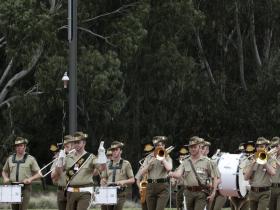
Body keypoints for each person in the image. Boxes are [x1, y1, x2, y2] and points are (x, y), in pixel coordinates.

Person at [55, 131, 106, 210]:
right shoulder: (68, 157)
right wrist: (60, 160)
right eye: (75, 143)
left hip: (85, 192)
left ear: (84, 143)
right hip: (70, 192)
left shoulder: (90, 157)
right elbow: (59, 172)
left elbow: (102, 169)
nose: (76, 145)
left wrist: (102, 156)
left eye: (78, 142)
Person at [169, 136, 217, 210]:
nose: (192, 149)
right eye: (191, 147)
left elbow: (215, 178)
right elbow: (178, 174)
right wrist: (170, 173)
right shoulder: (185, 161)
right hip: (188, 193)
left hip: (201, 193)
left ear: (199, 147)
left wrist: (213, 193)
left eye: (195, 147)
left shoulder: (207, 162)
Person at [2, 136, 41, 210]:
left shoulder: (30, 159)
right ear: (15, 147)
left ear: (25, 146)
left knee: (23, 208)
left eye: (21, 145)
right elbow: (4, 171)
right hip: (13, 186)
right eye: (17, 146)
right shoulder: (10, 159)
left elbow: (39, 174)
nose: (19, 147)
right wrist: (5, 178)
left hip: (25, 188)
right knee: (14, 209)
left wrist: (30, 179)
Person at [139, 136, 173, 210]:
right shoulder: (149, 157)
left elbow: (169, 168)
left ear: (164, 146)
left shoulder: (167, 157)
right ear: (155, 147)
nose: (159, 147)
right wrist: (149, 163)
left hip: (163, 187)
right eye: (157, 145)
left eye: (161, 145)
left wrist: (163, 159)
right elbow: (141, 172)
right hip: (150, 186)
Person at [100, 141, 135, 210]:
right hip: (109, 192)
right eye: (113, 150)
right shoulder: (107, 164)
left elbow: (132, 179)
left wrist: (123, 181)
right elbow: (103, 178)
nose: (114, 152)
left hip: (121, 193)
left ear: (121, 151)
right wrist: (103, 182)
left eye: (116, 150)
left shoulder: (126, 164)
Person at [244, 137, 276, 210]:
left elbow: (273, 172)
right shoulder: (252, 158)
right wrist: (252, 164)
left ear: (266, 148)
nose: (259, 148)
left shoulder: (270, 158)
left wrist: (263, 161)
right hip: (252, 192)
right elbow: (246, 178)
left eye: (261, 146)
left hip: (264, 192)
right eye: (257, 146)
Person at [201, 140, 227, 210]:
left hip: (219, 193)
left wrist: (211, 183)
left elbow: (219, 179)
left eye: (207, 149)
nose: (205, 151)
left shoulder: (212, 162)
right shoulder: (197, 162)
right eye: (203, 148)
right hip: (206, 193)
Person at [50, 135, 74, 210]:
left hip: (73, 190)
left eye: (68, 145)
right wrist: (60, 161)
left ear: (73, 145)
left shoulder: (78, 158)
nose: (66, 147)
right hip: (61, 190)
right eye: (65, 145)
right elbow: (53, 176)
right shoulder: (59, 157)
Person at [229, 142, 250, 210]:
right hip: (234, 192)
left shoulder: (249, 160)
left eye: (243, 151)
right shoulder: (234, 162)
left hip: (245, 192)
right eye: (240, 151)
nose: (242, 153)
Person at [135, 143, 154, 210]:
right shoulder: (142, 166)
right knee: (144, 206)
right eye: (147, 155)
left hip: (153, 188)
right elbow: (137, 179)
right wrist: (140, 188)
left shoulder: (155, 164)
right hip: (144, 188)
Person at [269, 137, 280, 210]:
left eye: (277, 146)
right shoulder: (271, 156)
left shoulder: (274, 158)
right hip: (271, 187)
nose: (275, 148)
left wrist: (275, 159)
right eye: (273, 146)